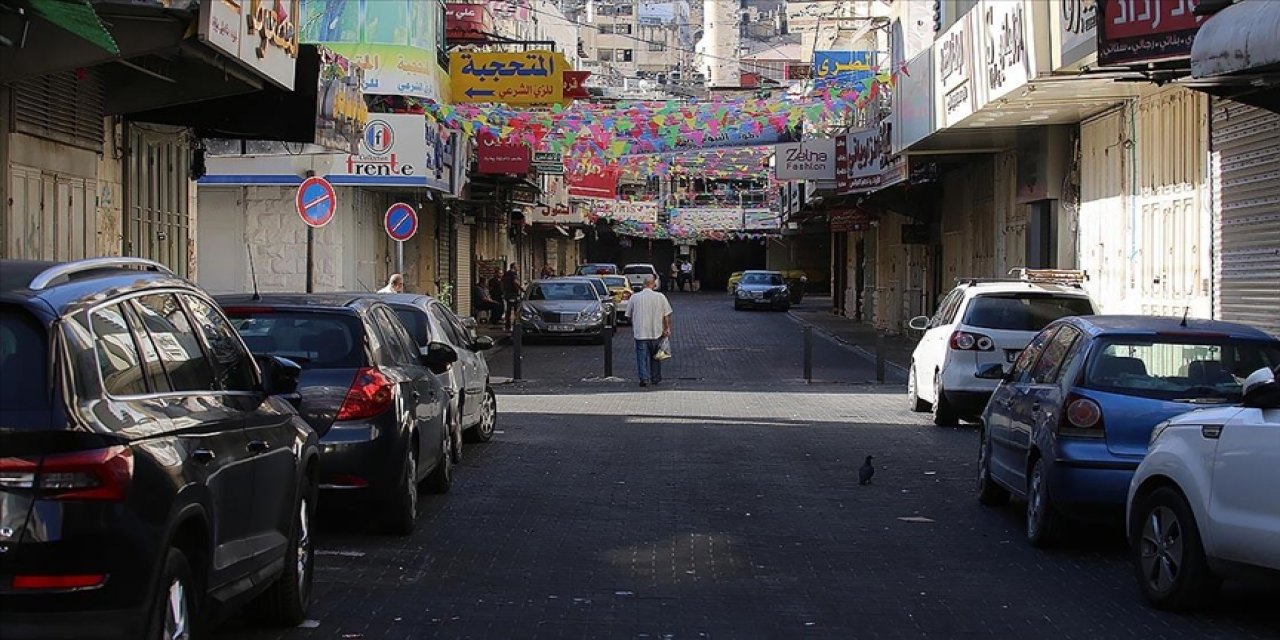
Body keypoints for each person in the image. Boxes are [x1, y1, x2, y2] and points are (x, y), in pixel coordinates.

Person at [628, 275, 672, 387]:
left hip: (640, 332)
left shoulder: (634, 297)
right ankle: (655, 378)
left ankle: (643, 378)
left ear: (643, 284)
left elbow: (629, 314)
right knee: (656, 357)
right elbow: (666, 315)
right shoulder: (660, 297)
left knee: (641, 358)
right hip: (656, 332)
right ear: (654, 284)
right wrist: (666, 328)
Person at [501, 263, 524, 330]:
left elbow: (501, 283)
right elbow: (515, 282)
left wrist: (504, 291)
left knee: (508, 310)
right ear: (514, 267)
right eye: (517, 267)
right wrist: (521, 289)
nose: (518, 268)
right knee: (516, 309)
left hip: (507, 294)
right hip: (514, 294)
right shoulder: (513, 274)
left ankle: (507, 325)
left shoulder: (506, 274)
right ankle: (515, 324)